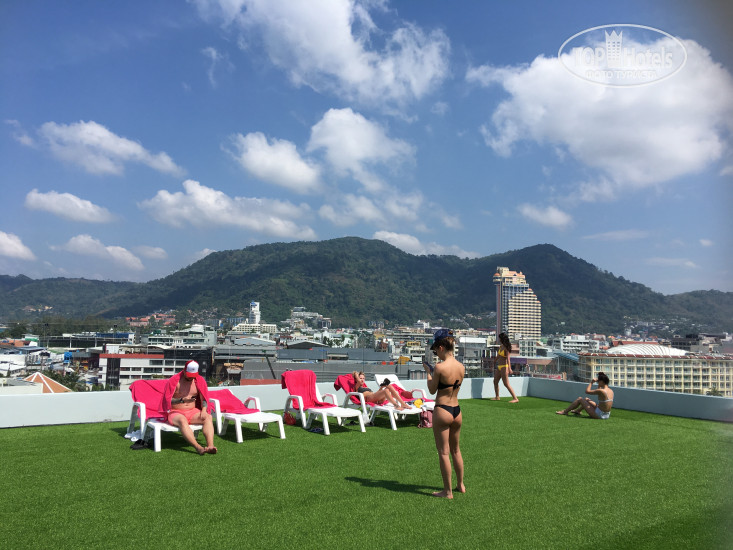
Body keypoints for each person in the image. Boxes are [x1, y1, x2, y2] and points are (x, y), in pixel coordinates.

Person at [422, 328, 465, 499]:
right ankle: (460, 484)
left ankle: (447, 491)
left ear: (441, 347)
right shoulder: (461, 367)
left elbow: (432, 390)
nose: (436, 355)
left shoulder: (439, 367)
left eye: (435, 351)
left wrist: (429, 374)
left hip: (442, 410)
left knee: (444, 452)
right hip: (456, 410)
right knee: (456, 450)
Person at [162, 360, 217, 454]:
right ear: (184, 371)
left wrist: (204, 410)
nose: (191, 378)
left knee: (208, 417)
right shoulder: (175, 381)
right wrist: (181, 400)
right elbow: (167, 401)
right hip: (176, 412)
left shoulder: (199, 380)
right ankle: (198, 447)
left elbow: (204, 398)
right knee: (182, 421)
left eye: (193, 376)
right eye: (189, 375)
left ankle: (210, 446)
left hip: (192, 411)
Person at [492, 332, 519, 403]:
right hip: (499, 366)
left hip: (504, 367)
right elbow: (498, 356)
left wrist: (509, 368)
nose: (499, 339)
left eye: (499, 338)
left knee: (506, 384)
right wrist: (494, 361)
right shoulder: (501, 346)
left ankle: (515, 398)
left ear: (502, 339)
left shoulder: (506, 348)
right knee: (495, 381)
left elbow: (508, 359)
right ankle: (497, 396)